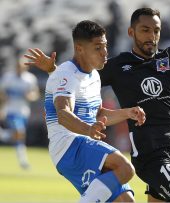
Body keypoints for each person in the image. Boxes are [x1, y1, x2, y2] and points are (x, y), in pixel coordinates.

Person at [24, 8, 170, 202]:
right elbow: (73, 76)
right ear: (131, 32)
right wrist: (55, 71)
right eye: (145, 30)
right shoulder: (117, 66)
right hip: (149, 156)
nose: (151, 36)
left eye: (156, 30)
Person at [25, 20, 146, 202]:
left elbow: (97, 115)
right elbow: (63, 114)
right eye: (98, 48)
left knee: (126, 200)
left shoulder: (94, 76)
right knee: (125, 168)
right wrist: (88, 129)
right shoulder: (66, 74)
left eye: (105, 46)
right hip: (69, 146)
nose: (105, 52)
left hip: (81, 147)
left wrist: (127, 113)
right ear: (80, 49)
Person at [0, 57, 40, 169]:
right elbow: (1, 92)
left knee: (19, 137)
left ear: (25, 67)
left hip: (23, 111)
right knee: (19, 131)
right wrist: (2, 107)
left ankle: (4, 136)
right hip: (10, 110)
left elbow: (35, 93)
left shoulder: (30, 79)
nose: (19, 68)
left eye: (21, 66)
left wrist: (30, 96)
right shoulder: (8, 77)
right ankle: (23, 161)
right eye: (18, 66)